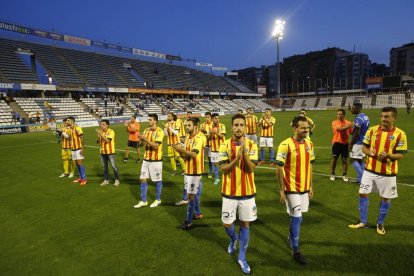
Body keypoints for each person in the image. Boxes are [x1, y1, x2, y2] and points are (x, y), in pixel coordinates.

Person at [349, 107, 407, 235]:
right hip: (369, 170)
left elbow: (400, 155)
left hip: (388, 173)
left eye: (386, 117)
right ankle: (363, 221)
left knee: (385, 198)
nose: (383, 119)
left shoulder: (400, 134)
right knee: (363, 194)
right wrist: (370, 153)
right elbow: (364, 148)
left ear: (394, 118)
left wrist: (389, 156)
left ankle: (380, 223)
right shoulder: (372, 130)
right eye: (382, 116)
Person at [219, 114, 258, 274]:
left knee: (245, 224)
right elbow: (223, 169)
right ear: (231, 127)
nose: (239, 127)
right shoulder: (224, 145)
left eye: (241, 125)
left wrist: (245, 154)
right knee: (227, 224)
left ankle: (242, 257)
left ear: (245, 127)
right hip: (229, 192)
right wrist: (236, 158)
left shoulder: (252, 145)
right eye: (236, 124)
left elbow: (251, 169)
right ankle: (233, 239)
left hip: (247, 193)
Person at [276, 116, 315, 265]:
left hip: (304, 188)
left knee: (298, 216)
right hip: (291, 188)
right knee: (297, 217)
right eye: (302, 128)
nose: (305, 130)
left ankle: (291, 237)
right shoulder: (285, 144)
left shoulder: (309, 144)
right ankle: (296, 250)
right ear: (295, 128)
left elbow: (310, 165)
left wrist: (311, 185)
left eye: (307, 128)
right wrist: (281, 190)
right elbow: (279, 168)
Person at [171, 117, 205, 229]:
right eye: (186, 125)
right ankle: (198, 213)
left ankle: (188, 221)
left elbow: (194, 154)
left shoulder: (200, 137)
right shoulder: (187, 138)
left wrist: (179, 149)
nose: (186, 127)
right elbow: (185, 157)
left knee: (190, 196)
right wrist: (178, 151)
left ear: (195, 126)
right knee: (193, 195)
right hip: (188, 171)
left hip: (195, 172)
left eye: (189, 125)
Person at [133, 114, 165, 208]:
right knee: (142, 179)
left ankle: (158, 199)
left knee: (157, 180)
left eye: (150, 120)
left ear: (155, 121)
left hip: (156, 160)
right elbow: (142, 144)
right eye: (148, 119)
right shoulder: (146, 130)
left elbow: (156, 146)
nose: (148, 121)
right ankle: (144, 201)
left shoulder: (160, 131)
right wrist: (140, 140)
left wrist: (145, 139)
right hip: (146, 159)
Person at [349, 103, 370, 184]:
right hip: (364, 141)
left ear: (358, 109)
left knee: (352, 159)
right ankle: (360, 179)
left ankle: (363, 178)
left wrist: (351, 144)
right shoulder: (365, 117)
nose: (352, 110)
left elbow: (357, 133)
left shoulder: (359, 119)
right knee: (360, 160)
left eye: (354, 108)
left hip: (358, 142)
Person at [330, 109, 352, 181]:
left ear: (344, 115)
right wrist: (349, 126)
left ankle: (344, 175)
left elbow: (351, 132)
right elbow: (339, 129)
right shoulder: (334, 122)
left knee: (345, 160)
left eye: (340, 114)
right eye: (337, 114)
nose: (338, 116)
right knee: (334, 159)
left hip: (345, 144)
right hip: (336, 143)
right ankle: (332, 174)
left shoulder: (348, 123)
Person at [96, 120, 120, 187]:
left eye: (103, 124)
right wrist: (98, 136)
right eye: (101, 124)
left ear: (107, 125)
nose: (101, 125)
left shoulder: (111, 131)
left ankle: (117, 179)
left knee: (113, 166)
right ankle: (106, 180)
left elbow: (107, 140)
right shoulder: (101, 132)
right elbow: (97, 142)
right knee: (105, 167)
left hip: (110, 152)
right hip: (102, 152)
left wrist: (100, 134)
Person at [67, 116, 87, 185]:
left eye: (68, 121)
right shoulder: (69, 129)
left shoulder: (77, 127)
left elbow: (82, 136)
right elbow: (70, 139)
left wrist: (83, 147)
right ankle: (80, 178)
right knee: (76, 163)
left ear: (72, 121)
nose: (67, 122)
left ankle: (84, 179)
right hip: (73, 149)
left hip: (78, 148)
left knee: (80, 163)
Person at [210, 113, 226, 185]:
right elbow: (208, 138)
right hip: (214, 148)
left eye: (218, 118)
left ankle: (226, 177)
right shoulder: (210, 126)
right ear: (212, 119)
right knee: (215, 164)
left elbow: (223, 136)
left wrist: (215, 132)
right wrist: (210, 133)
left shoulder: (222, 125)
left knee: (224, 164)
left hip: (222, 148)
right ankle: (217, 178)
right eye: (215, 118)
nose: (217, 119)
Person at [200, 112, 214, 178]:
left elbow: (212, 135)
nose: (207, 118)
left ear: (211, 117)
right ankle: (201, 170)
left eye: (208, 117)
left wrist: (205, 132)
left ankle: (210, 172)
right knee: (201, 158)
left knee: (210, 159)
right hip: (203, 145)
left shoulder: (213, 125)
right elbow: (200, 135)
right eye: (206, 117)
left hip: (211, 145)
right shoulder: (202, 125)